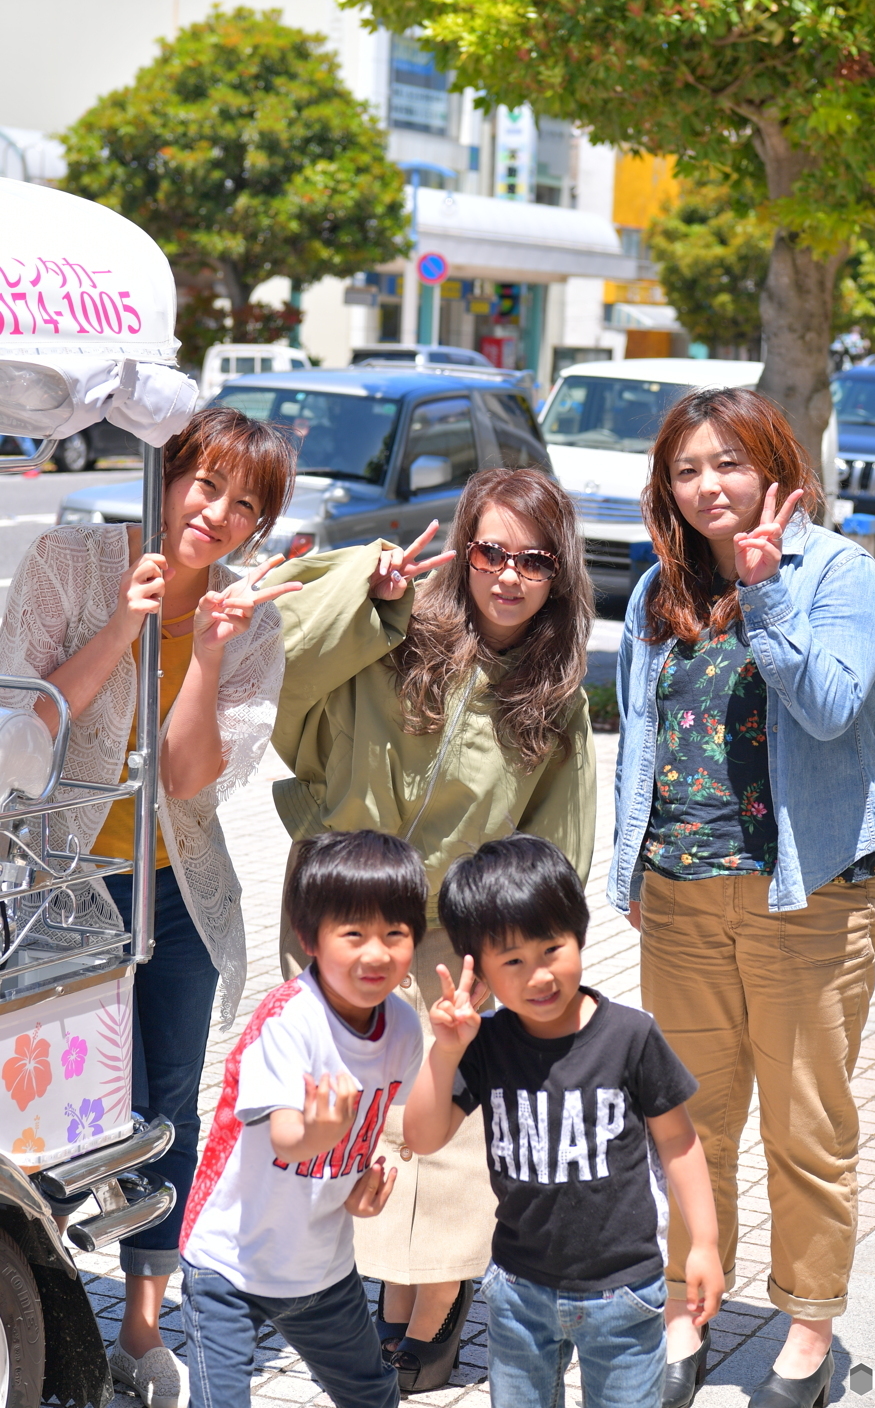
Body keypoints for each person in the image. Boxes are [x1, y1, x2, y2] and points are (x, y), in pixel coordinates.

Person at [270, 466, 597, 1393]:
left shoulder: (556, 695)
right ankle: (376, 1290)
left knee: (446, 1135)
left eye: (533, 560)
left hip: (458, 938)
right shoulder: (395, 627)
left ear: (557, 575)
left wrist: (525, 967)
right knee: (350, 1111)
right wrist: (359, 590)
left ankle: (434, 1319)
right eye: (491, 550)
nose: (508, 575)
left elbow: (555, 849)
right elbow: (277, 659)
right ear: (464, 547)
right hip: (339, 907)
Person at [0, 405, 299, 1408]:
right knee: (40, 1097)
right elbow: (19, 730)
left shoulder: (252, 619)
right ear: (168, 476)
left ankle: (140, 1328)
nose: (217, 514)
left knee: (163, 1104)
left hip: (176, 891)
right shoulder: (72, 562)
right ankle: (35, 1293)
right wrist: (127, 620)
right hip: (55, 883)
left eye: (245, 504)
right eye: (205, 484)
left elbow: (184, 774)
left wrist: (206, 651)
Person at [610, 387, 875, 1408]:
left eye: (728, 462)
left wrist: (765, 592)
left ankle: (807, 1330)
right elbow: (640, 740)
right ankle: (692, 1307)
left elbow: (825, 710)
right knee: (689, 1124)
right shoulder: (657, 591)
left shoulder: (840, 575)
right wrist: (629, 865)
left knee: (805, 1129)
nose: (707, 485)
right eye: (686, 469)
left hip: (803, 899)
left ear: (776, 465)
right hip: (681, 899)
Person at [403, 833, 724, 1408]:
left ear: (577, 932)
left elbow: (678, 1141)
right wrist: (445, 1049)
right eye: (513, 962)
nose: (539, 976)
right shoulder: (487, 1044)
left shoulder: (631, 1035)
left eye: (551, 949)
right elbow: (422, 1136)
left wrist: (702, 1243)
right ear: (479, 970)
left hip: (626, 1290)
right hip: (520, 1290)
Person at [180, 830, 427, 1408]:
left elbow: (404, 1131)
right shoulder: (289, 1020)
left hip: (322, 1268)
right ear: (308, 937)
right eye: (353, 934)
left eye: (396, 933)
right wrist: (324, 1131)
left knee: (372, 1395)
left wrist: (355, 1191)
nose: (376, 953)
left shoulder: (404, 1029)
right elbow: (289, 1138)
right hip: (229, 1267)